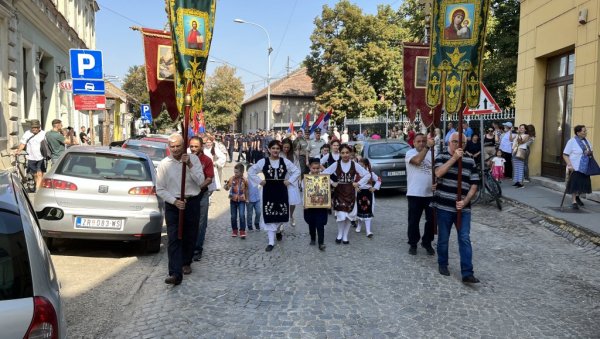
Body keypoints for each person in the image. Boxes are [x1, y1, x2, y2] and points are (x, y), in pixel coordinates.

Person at [156, 134, 205, 285]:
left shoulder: (194, 159)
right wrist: (174, 201)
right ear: (168, 147)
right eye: (172, 147)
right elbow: (160, 188)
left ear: (184, 146)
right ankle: (175, 273)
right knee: (173, 238)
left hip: (191, 201)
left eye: (178, 146)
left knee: (190, 234)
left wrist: (189, 165)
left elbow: (201, 181)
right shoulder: (164, 164)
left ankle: (186, 262)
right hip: (173, 204)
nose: (175, 149)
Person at [432, 132, 480, 284]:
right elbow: (438, 172)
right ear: (448, 143)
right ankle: (442, 263)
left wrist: (465, 201)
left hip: (463, 209)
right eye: (455, 141)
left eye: (462, 143)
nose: (459, 145)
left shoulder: (470, 161)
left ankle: (467, 272)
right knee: (444, 238)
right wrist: (454, 159)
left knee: (464, 238)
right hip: (444, 206)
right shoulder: (441, 157)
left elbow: (474, 184)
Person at [248, 140, 300, 251]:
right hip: (268, 190)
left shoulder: (285, 161)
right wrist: (259, 181)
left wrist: (289, 181)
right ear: (269, 150)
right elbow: (251, 171)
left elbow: (296, 171)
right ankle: (271, 242)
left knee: (282, 214)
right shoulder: (263, 161)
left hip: (282, 190)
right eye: (273, 148)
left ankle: (277, 230)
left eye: (277, 148)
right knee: (269, 214)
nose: (275, 150)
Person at [322, 144, 371, 244]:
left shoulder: (354, 164)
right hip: (339, 192)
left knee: (349, 215)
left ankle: (345, 235)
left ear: (350, 153)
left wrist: (358, 183)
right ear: (340, 153)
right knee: (341, 215)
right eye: (343, 153)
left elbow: (367, 174)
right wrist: (332, 182)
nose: (345, 155)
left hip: (350, 192)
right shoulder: (336, 164)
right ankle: (340, 234)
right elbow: (324, 173)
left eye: (347, 153)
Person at [405, 133, 436, 255]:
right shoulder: (410, 153)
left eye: (424, 141)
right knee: (413, 221)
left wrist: (437, 183)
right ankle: (413, 243)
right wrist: (427, 147)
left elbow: (437, 170)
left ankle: (427, 242)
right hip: (415, 193)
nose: (422, 143)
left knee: (432, 221)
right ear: (414, 142)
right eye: (419, 141)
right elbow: (418, 161)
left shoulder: (433, 153)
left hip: (430, 193)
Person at [188, 136, 214, 262]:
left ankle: (197, 249)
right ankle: (188, 248)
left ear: (201, 147)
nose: (193, 149)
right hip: (188, 196)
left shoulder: (207, 160)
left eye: (196, 146)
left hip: (202, 194)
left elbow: (209, 178)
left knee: (201, 223)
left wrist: (198, 187)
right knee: (188, 222)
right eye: (191, 146)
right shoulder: (185, 159)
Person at [562, 125, 593, 210]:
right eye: (583, 131)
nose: (585, 132)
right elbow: (565, 155)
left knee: (582, 184)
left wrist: (589, 153)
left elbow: (590, 152)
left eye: (585, 131)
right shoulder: (572, 141)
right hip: (575, 167)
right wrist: (569, 165)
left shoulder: (587, 142)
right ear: (578, 132)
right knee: (575, 185)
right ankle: (574, 201)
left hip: (585, 167)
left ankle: (578, 197)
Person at [303, 158, 329, 251]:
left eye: (317, 168)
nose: (315, 170)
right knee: (311, 223)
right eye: (313, 168)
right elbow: (305, 193)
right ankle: (313, 238)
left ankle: (321, 243)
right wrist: (305, 204)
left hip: (321, 205)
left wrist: (328, 202)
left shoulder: (324, 177)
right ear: (310, 167)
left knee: (320, 224)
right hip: (310, 205)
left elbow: (326, 190)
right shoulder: (306, 178)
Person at [15, 119, 46, 191]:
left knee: (39, 174)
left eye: (36, 127)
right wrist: (18, 151)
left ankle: (38, 190)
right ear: (31, 127)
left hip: (41, 157)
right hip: (31, 158)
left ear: (39, 127)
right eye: (33, 127)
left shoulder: (43, 133)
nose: (35, 129)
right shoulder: (27, 133)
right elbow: (23, 144)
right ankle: (37, 184)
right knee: (35, 174)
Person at [355, 158, 381, 238]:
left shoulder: (371, 173)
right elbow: (352, 183)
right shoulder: (356, 174)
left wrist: (375, 188)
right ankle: (359, 225)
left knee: (368, 210)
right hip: (359, 192)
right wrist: (355, 188)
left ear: (366, 165)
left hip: (368, 193)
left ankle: (368, 230)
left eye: (361, 164)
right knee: (359, 209)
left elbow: (379, 180)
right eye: (359, 164)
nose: (360, 165)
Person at [281, 138, 302, 227]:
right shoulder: (279, 154)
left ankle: (291, 215)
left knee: (292, 201)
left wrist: (298, 179)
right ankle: (281, 221)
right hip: (282, 179)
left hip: (292, 179)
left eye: (288, 147)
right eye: (284, 147)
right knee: (282, 200)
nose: (286, 149)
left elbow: (298, 168)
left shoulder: (294, 155)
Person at [224, 163, 249, 238]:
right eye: (234, 172)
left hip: (241, 200)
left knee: (242, 215)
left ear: (242, 172)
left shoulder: (245, 180)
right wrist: (225, 186)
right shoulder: (232, 178)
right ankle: (234, 230)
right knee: (233, 216)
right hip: (233, 200)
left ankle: (242, 230)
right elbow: (227, 187)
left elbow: (247, 190)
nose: (235, 173)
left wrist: (247, 199)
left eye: (236, 172)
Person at [511, 124, 530, 188]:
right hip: (514, 151)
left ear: (525, 129)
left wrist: (518, 134)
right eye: (520, 128)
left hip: (521, 151)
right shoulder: (517, 135)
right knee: (516, 167)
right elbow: (510, 139)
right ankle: (517, 181)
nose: (521, 129)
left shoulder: (526, 135)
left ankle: (521, 183)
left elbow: (521, 141)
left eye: (522, 128)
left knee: (520, 167)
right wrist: (511, 132)